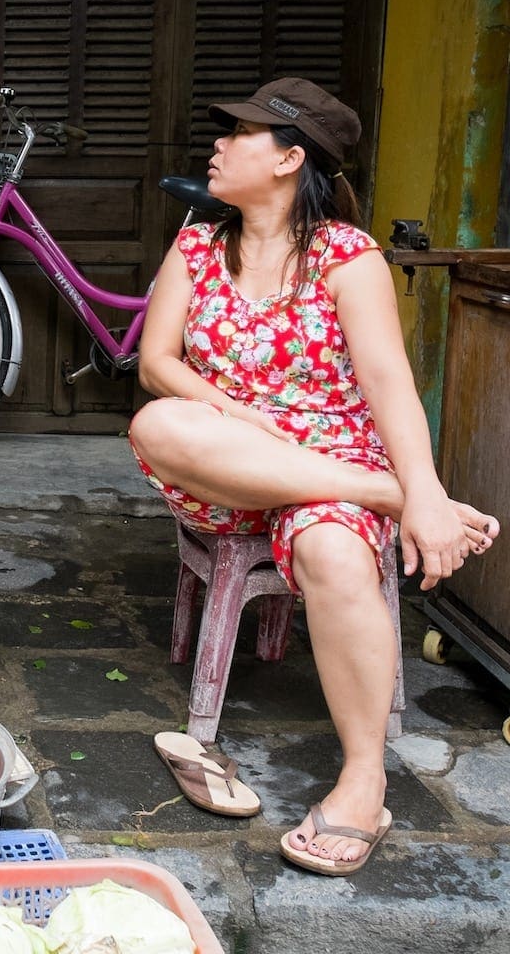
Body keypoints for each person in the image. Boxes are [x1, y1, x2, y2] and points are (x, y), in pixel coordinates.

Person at [128, 78, 499, 876]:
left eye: (241, 135)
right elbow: (157, 364)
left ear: (291, 159)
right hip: (229, 464)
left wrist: (421, 478)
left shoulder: (346, 256)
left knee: (333, 551)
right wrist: (231, 406)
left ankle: (364, 782)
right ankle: (390, 500)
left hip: (334, 471)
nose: (219, 146)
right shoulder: (197, 244)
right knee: (156, 423)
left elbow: (389, 385)